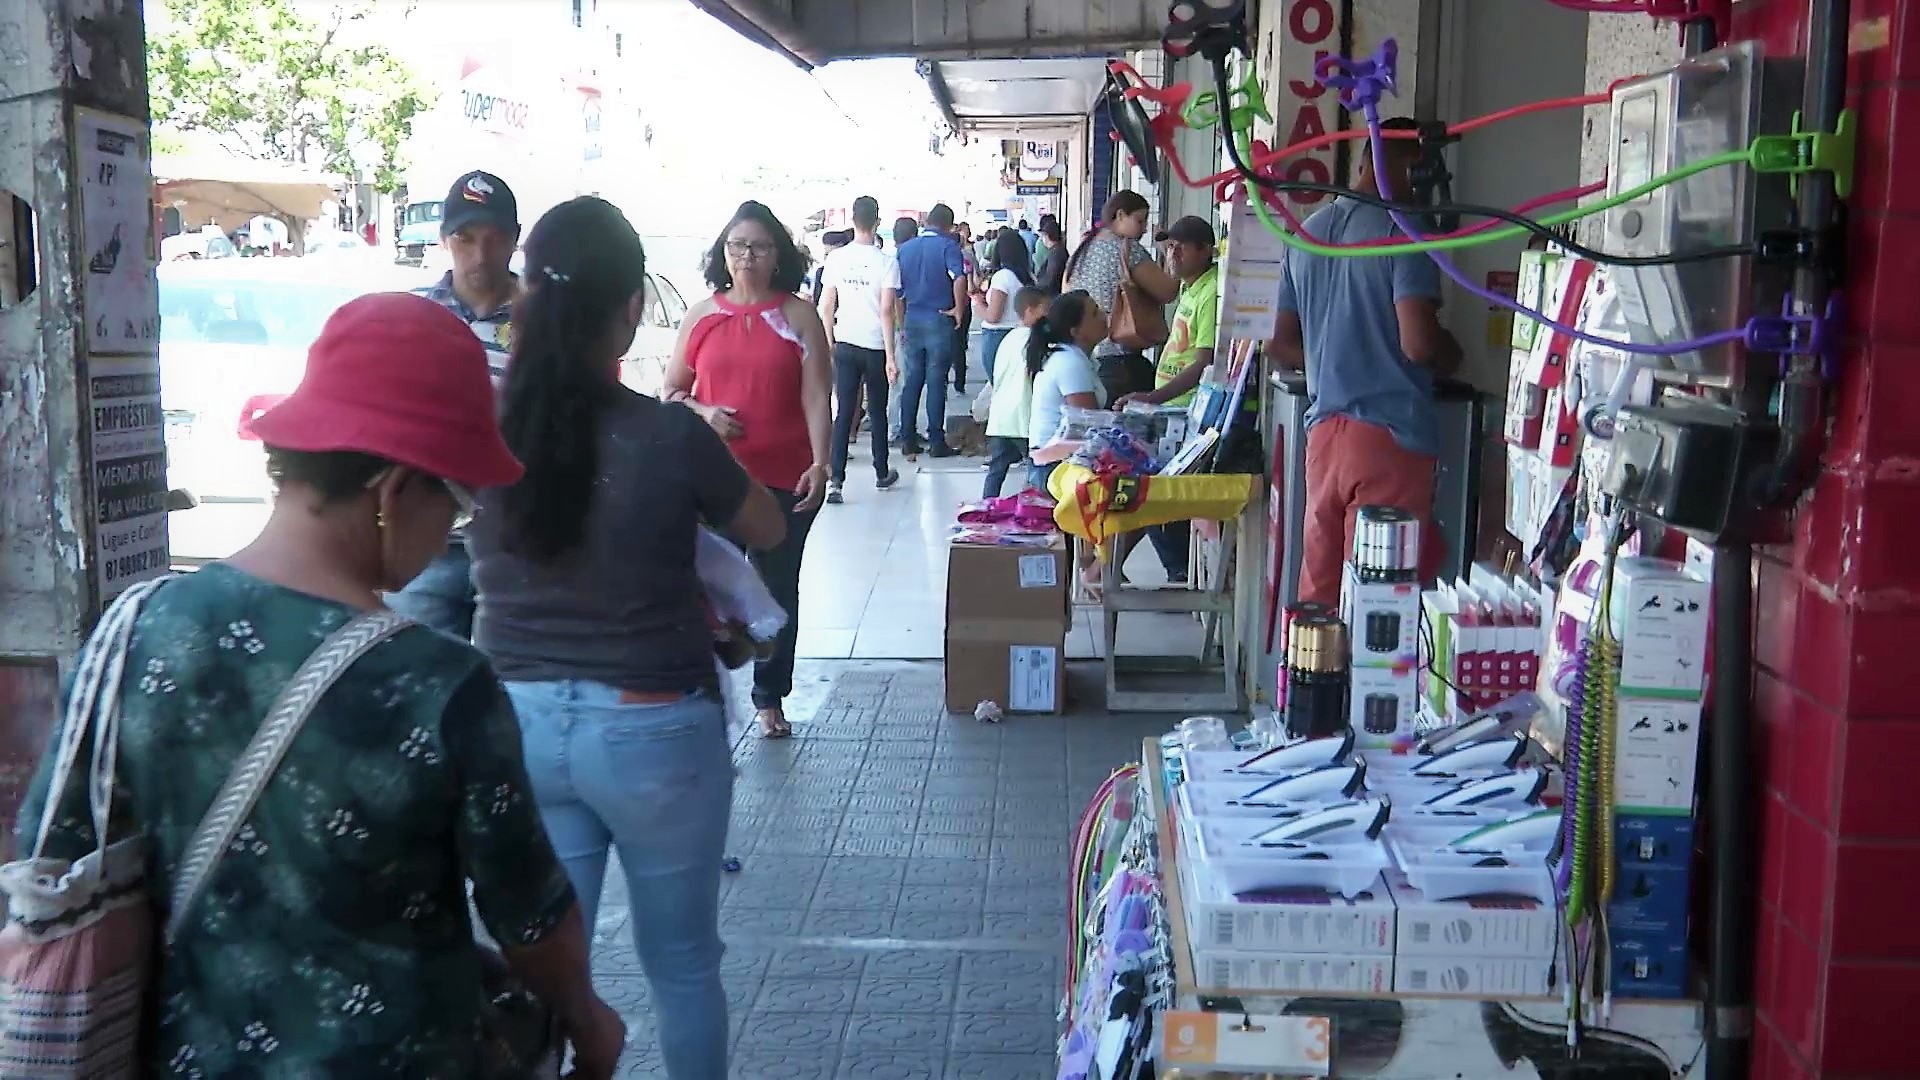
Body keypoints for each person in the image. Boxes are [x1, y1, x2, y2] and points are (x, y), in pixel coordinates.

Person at [15, 292, 625, 1078]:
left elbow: (52, 852)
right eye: (460, 504)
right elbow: (529, 914)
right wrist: (589, 1019)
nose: (455, 531)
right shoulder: (439, 685)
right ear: (395, 488)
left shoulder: (133, 629)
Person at [468, 198, 786, 1079]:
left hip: (522, 728)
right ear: (630, 311)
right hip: (653, 726)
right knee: (682, 966)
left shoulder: (486, 429)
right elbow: (763, 526)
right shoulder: (670, 434)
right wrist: (714, 449)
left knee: (544, 969)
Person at [1269, 117, 1461, 605]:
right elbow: (1418, 344)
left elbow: (1277, 341)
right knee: (1379, 604)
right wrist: (1450, 352)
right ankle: (1366, 686)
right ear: (1407, 162)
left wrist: (1333, 362)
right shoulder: (1402, 231)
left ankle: (1310, 682)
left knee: (1319, 596)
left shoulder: (1307, 232)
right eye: (1424, 166)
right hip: (1388, 438)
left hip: (1323, 437)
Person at [666, 200, 833, 739]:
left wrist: (822, 462)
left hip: (785, 477)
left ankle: (770, 697)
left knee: (778, 588)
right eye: (737, 246)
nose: (747, 257)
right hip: (711, 479)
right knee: (703, 585)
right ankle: (702, 687)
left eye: (759, 247)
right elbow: (670, 391)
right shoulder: (702, 315)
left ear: (778, 255)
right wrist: (704, 412)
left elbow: (816, 397)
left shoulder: (799, 315)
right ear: (723, 252)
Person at [388, 169, 520, 640]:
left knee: (504, 701)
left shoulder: (548, 322)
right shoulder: (410, 318)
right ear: (444, 240)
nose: (480, 254)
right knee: (418, 687)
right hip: (428, 543)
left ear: (515, 240)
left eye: (494, 237)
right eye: (465, 238)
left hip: (518, 543)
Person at [1118, 215, 1221, 584]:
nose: (1171, 254)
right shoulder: (1189, 289)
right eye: (1168, 247)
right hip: (1169, 406)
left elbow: (1204, 362)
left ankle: (1173, 568)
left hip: (1189, 408)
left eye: (1179, 247)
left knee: (1154, 490)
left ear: (1205, 250)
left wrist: (1154, 396)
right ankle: (1120, 565)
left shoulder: (1212, 291)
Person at [818, 195, 903, 505]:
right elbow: (886, 312)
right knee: (877, 410)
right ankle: (881, 472)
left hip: (845, 344)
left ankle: (836, 480)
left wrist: (828, 342)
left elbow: (826, 306)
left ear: (852, 221)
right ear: (878, 222)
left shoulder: (836, 259)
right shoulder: (887, 262)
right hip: (875, 346)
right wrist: (891, 358)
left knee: (843, 413)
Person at [1063, 190, 1181, 404]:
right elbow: (1168, 291)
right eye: (1140, 220)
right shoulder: (1125, 249)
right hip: (1122, 359)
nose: (1144, 229)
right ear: (1119, 216)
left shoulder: (1082, 249)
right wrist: (1170, 256)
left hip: (1089, 358)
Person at [894, 203, 968, 458]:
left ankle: (908, 438)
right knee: (937, 380)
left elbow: (897, 292)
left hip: (913, 317)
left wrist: (901, 324)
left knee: (913, 379)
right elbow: (959, 277)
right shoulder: (949, 246)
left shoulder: (905, 249)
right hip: (938, 318)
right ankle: (937, 441)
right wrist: (958, 308)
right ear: (948, 225)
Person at [1025, 290, 1109, 494]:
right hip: (1056, 468)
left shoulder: (1078, 359)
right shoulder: (1070, 363)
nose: (1104, 315)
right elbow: (1090, 421)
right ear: (1076, 331)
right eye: (1095, 313)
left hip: (1062, 463)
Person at [982, 286, 1050, 498]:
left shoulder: (1008, 338)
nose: (1048, 315)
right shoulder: (1036, 341)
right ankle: (1034, 513)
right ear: (1029, 311)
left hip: (1001, 418)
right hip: (1025, 417)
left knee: (996, 471)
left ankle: (985, 511)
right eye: (1044, 309)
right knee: (1036, 469)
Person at [972, 228, 1036, 383]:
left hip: (997, 336)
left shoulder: (1002, 277)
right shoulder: (1029, 277)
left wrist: (978, 304)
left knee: (999, 383)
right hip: (1020, 333)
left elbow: (993, 316)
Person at [953, 222, 979, 394]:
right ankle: (959, 382)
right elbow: (971, 287)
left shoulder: (941, 258)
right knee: (960, 344)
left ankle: (941, 383)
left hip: (946, 307)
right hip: (964, 306)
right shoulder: (967, 258)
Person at [808, 228, 851, 303]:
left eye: (828, 254)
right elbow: (817, 300)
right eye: (825, 253)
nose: (825, 257)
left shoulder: (852, 272)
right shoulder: (821, 272)